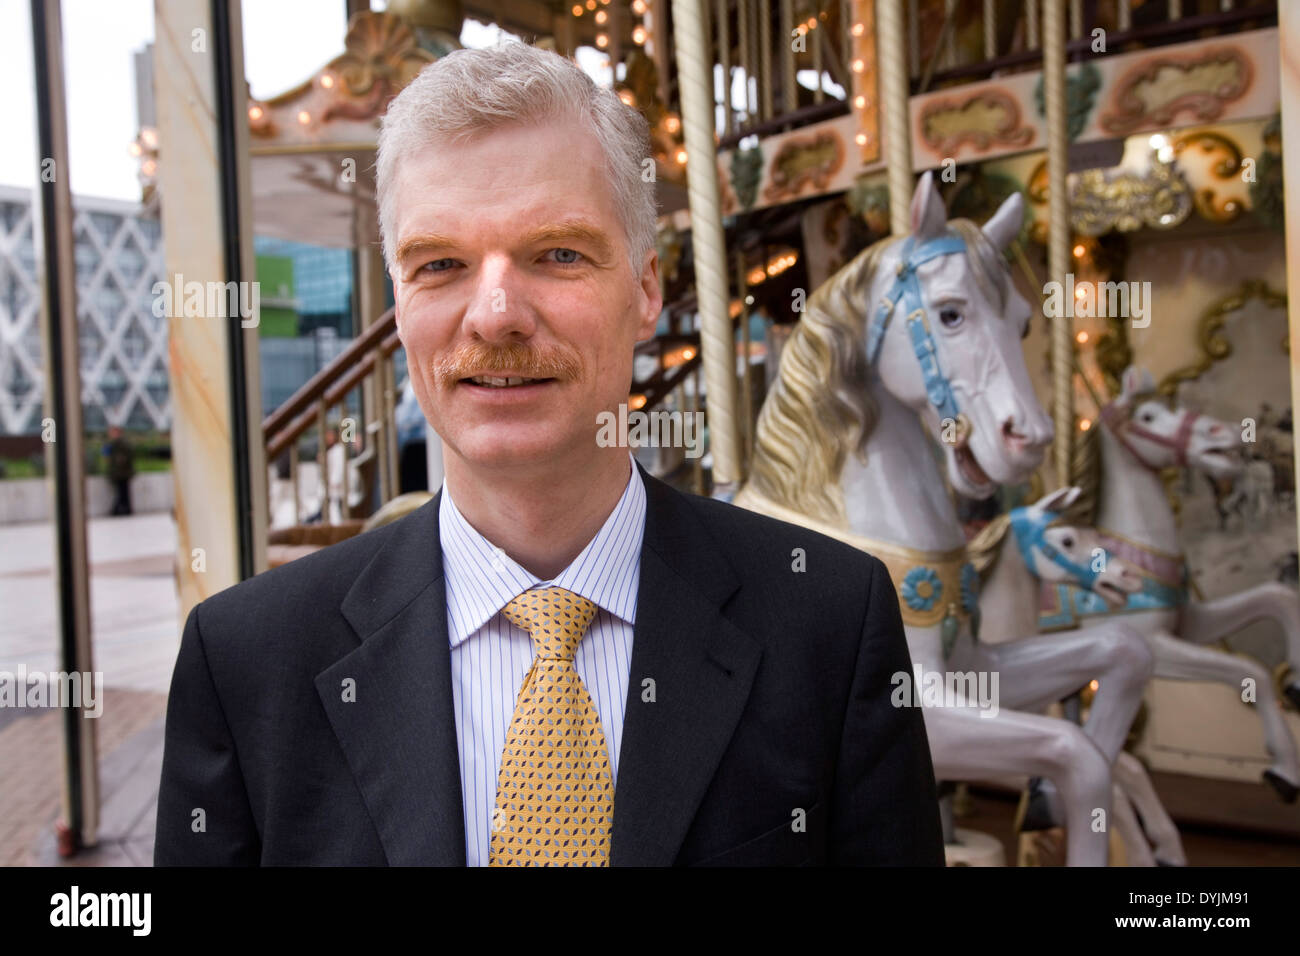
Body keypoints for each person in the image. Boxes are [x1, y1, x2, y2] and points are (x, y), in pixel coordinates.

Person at [155, 41, 943, 866]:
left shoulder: (829, 621)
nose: (495, 314)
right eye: (441, 264)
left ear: (646, 291)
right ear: (400, 302)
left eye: (558, 254)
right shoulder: (247, 664)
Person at [102, 425, 134, 516]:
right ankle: (122, 509)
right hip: (119, 472)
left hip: (121, 473)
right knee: (122, 492)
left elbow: (124, 458)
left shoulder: (121, 443)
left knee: (122, 492)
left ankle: (119, 510)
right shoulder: (114, 443)